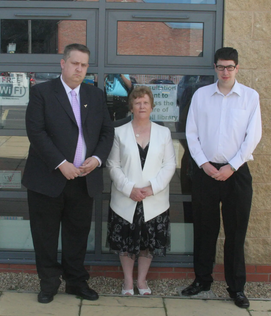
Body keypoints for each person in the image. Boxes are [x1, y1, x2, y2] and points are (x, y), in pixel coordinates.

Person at [22, 43, 114, 304]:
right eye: (75, 63)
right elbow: (36, 133)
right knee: (45, 235)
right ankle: (49, 284)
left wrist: (96, 159)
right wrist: (61, 163)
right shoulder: (41, 93)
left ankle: (76, 282)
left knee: (77, 234)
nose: (79, 69)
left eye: (84, 65)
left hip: (84, 180)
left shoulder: (94, 95)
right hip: (47, 179)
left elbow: (108, 132)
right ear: (63, 64)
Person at [182, 47, 262, 309]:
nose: (225, 71)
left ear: (237, 68)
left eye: (230, 67)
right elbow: (191, 132)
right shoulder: (201, 95)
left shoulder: (249, 97)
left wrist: (233, 166)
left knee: (236, 233)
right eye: (220, 67)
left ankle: (236, 287)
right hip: (205, 173)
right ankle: (202, 280)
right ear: (214, 68)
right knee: (204, 230)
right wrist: (203, 163)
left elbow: (254, 136)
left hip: (236, 174)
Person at [106, 86, 176, 295]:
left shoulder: (164, 133)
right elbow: (112, 165)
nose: (142, 106)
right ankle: (128, 281)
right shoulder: (119, 133)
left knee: (147, 244)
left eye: (145, 102)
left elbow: (170, 165)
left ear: (152, 106)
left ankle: (142, 281)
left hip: (154, 200)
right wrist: (130, 189)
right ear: (131, 107)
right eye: (137, 103)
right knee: (126, 244)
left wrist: (152, 188)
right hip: (126, 199)